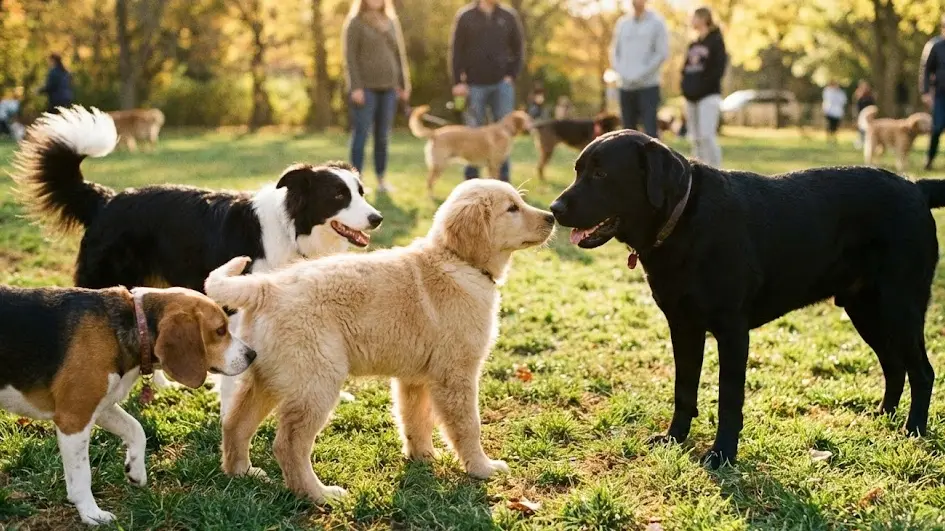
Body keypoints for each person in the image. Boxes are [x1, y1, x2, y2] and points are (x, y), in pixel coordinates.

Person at [449, 0, 525, 182]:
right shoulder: (465, 16)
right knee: (472, 132)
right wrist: (458, 81)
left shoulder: (508, 16)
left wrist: (511, 75)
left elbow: (519, 48)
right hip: (474, 84)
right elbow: (456, 51)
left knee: (504, 136)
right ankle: (471, 181)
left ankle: (503, 181)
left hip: (502, 84)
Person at [343, 0, 410, 193]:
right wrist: (355, 87)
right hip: (365, 88)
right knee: (361, 134)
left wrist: (403, 84)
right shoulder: (356, 22)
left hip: (389, 87)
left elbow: (399, 55)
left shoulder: (390, 21)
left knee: (383, 137)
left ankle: (381, 179)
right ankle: (355, 182)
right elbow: (350, 57)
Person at [610, 0, 669, 138]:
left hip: (648, 86)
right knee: (627, 133)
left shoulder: (657, 23)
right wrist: (622, 72)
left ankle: (653, 160)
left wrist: (640, 74)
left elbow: (661, 54)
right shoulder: (622, 23)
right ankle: (629, 160)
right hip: (625, 86)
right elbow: (614, 51)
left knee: (650, 130)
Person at [680, 6, 727, 167]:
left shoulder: (716, 41)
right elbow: (685, 70)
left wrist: (703, 87)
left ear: (704, 18)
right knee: (695, 137)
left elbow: (718, 69)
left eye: (694, 17)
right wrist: (685, 89)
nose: (691, 21)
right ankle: (699, 171)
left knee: (707, 136)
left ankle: (716, 171)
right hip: (691, 97)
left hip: (708, 95)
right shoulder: (693, 44)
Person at [922, 16, 945, 170]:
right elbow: (925, 70)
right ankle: (929, 159)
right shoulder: (934, 45)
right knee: (937, 128)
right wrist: (925, 92)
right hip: (940, 94)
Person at [853, 79, 876, 149]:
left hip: (869, 115)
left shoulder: (870, 97)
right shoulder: (859, 97)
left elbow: (873, 107)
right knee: (862, 131)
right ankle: (861, 143)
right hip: (861, 116)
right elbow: (857, 108)